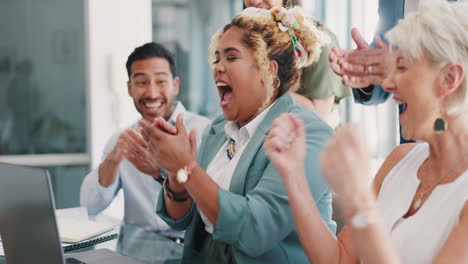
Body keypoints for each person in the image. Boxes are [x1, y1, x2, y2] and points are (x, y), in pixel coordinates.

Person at [265, 1, 468, 263]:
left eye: (402, 67)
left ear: (449, 78)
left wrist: (360, 202)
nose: (387, 82)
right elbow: (338, 259)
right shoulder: (400, 159)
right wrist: (293, 176)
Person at [140, 7, 335, 263]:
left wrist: (185, 165)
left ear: (270, 69)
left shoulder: (310, 134)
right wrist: (177, 175)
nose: (218, 68)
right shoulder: (218, 129)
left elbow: (256, 230)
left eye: (231, 58)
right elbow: (180, 219)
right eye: (216, 58)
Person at [80, 42, 210, 233]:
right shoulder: (122, 141)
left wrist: (161, 174)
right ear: (129, 88)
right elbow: (89, 207)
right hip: (137, 253)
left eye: (160, 81)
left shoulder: (204, 133)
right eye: (141, 82)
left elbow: (212, 207)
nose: (151, 93)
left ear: (175, 85)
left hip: (190, 252)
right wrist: (113, 160)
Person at [245, 0, 350, 128]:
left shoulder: (318, 41)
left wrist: (265, 86)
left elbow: (318, 115)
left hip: (312, 142)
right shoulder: (247, 41)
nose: (255, 1)